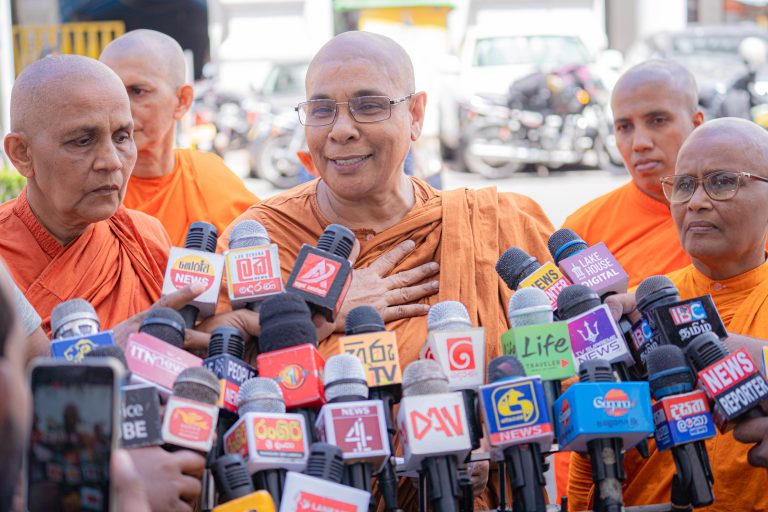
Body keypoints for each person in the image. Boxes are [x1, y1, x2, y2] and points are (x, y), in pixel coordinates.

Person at [218, 30, 555, 509]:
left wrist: (496, 439)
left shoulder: (497, 223)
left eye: (369, 105)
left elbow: (575, 371)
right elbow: (211, 365)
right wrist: (324, 312)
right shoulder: (261, 238)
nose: (341, 129)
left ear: (415, 114)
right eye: (321, 109)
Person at [1, 54, 209, 511]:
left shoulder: (144, 236)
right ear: (21, 154)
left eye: (122, 136)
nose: (112, 162)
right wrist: (103, 351)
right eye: (82, 140)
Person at [567, 118, 768, 511]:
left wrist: (748, 354)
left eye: (722, 182)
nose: (696, 202)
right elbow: (592, 451)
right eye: (683, 185)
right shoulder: (634, 312)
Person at [100, 29, 258, 246]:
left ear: (182, 101)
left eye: (138, 91)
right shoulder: (85, 191)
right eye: (111, 92)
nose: (121, 109)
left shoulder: (211, 178)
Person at [562, 60, 704, 287]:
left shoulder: (745, 212)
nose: (639, 143)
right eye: (624, 127)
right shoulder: (582, 232)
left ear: (696, 124)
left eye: (657, 121)